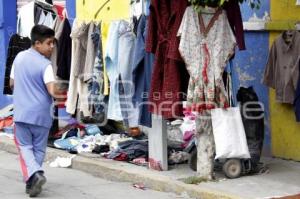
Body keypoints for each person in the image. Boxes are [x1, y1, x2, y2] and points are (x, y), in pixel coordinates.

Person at [10, 25, 63, 197]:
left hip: (22, 113)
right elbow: (52, 91)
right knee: (39, 149)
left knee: (25, 147)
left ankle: (35, 174)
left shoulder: (18, 58)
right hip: (42, 115)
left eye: (53, 43)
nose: (52, 47)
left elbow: (12, 83)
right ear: (37, 43)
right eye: (49, 43)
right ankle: (34, 178)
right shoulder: (45, 65)